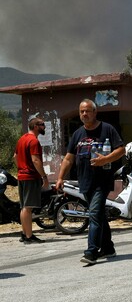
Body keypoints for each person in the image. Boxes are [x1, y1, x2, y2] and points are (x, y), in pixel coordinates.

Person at [56, 99, 125, 265]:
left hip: (102, 181)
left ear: (95, 112)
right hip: (85, 182)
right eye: (81, 111)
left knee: (94, 214)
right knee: (99, 215)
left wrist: (105, 159)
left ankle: (91, 251)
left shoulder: (107, 129)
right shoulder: (78, 134)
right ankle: (108, 248)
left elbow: (121, 150)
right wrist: (60, 177)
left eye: (87, 111)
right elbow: (68, 158)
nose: (84, 114)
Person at [13, 117, 49, 244]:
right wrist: (44, 177)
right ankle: (29, 236)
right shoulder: (33, 141)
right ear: (35, 126)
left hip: (21, 176)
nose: (44, 127)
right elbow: (35, 160)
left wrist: (21, 168)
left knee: (24, 207)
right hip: (30, 177)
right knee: (28, 208)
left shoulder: (22, 139)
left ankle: (24, 233)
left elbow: (15, 157)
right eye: (42, 125)